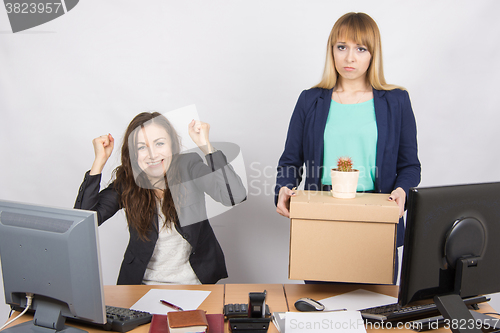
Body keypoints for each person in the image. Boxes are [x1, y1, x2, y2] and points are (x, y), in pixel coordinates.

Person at [275, 12, 421, 278]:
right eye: (342, 47)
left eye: (360, 49)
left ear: (373, 54)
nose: (350, 57)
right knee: (319, 308)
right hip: (320, 215)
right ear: (332, 50)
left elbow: (410, 165)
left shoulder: (396, 101)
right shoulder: (310, 100)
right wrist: (283, 188)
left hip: (377, 217)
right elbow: (290, 162)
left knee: (374, 311)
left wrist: (403, 191)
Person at [75, 112, 246, 285]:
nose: (152, 155)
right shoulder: (127, 182)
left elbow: (234, 196)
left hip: (195, 284)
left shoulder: (189, 166)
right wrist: (99, 161)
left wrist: (206, 146)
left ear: (172, 145)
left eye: (159, 144)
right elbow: (83, 222)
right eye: (142, 147)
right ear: (133, 154)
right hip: (141, 286)